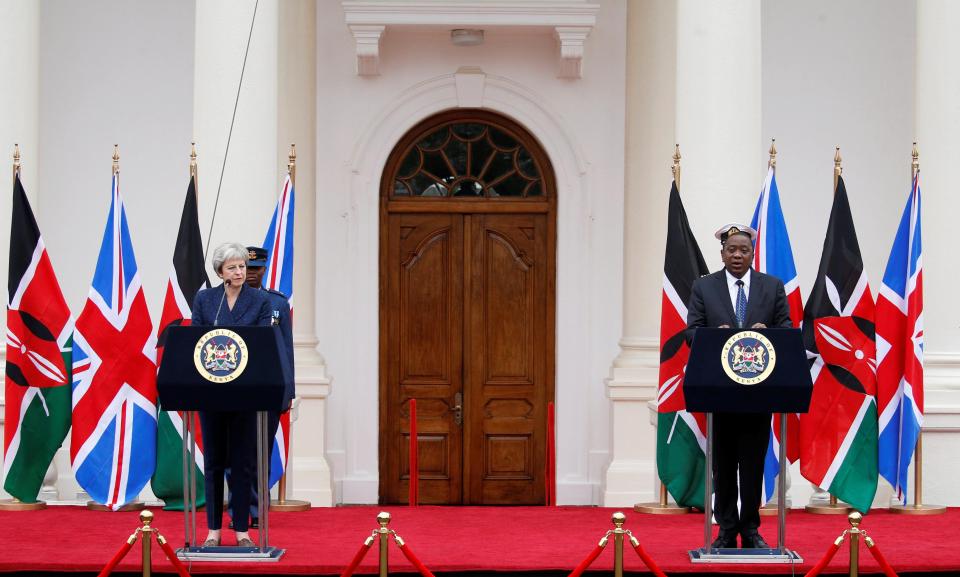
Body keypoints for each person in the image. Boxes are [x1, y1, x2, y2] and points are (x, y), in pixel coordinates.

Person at [685, 223, 792, 549]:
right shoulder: (704, 288)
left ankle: (751, 530)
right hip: (720, 392)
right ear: (722, 253)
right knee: (724, 465)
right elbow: (691, 332)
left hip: (758, 393)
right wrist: (714, 336)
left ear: (752, 254)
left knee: (752, 464)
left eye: (743, 250)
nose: (737, 255)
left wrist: (767, 333)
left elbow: (786, 329)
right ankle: (726, 531)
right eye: (731, 249)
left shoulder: (771, 286)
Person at [191, 241, 271, 548]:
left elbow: (264, 340)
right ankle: (212, 531)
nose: (239, 272)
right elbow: (197, 339)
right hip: (211, 392)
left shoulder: (260, 300)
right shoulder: (206, 300)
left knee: (242, 463)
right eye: (232, 267)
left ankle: (241, 532)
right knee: (213, 462)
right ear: (220, 272)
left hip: (245, 393)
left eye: (242, 266)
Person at [227, 246, 295, 529]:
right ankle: (239, 511)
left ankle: (256, 510)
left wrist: (287, 390)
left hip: (266, 389)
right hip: (232, 390)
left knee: (260, 454)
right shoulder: (224, 301)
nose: (250, 274)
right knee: (233, 454)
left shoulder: (276, 303)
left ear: (264, 270)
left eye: (255, 269)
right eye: (246, 268)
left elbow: (285, 350)